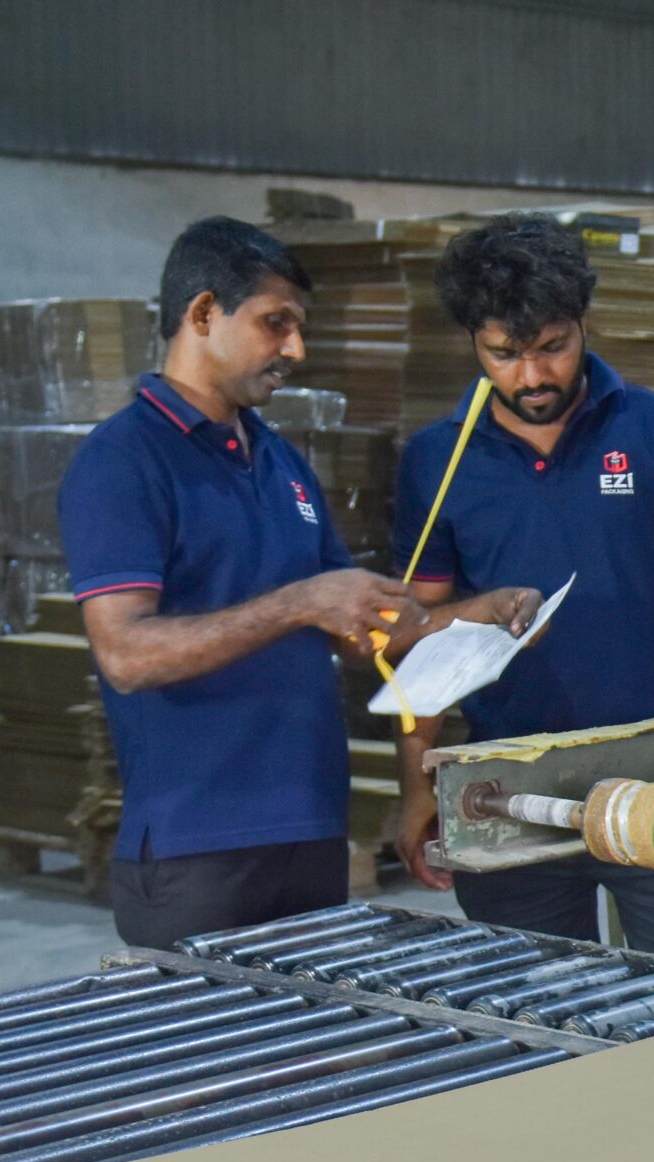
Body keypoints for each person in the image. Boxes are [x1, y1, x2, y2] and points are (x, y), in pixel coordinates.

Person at [58, 216, 531, 950]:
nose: (296, 350)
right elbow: (125, 654)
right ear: (204, 312)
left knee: (311, 1059)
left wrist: (477, 615)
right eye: (276, 324)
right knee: (212, 1059)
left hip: (309, 828)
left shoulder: (279, 463)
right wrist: (299, 602)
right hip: (197, 848)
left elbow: (360, 630)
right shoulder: (123, 462)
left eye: (299, 328)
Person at [389, 214, 654, 962]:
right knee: (537, 991)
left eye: (552, 348)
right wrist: (417, 787)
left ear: (582, 324)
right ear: (473, 340)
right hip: (505, 782)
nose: (532, 377)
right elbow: (418, 636)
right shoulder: (436, 462)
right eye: (504, 354)